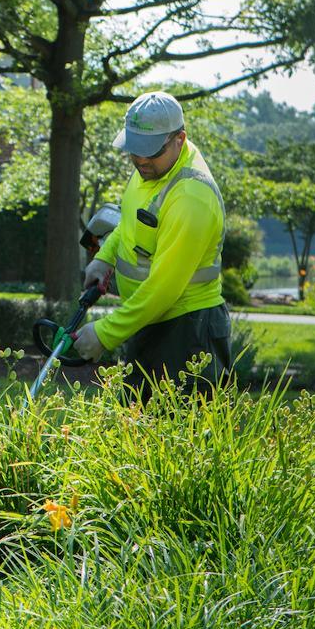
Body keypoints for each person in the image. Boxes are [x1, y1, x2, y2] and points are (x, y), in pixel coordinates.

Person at [72, 91, 231, 400]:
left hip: (187, 333)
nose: (141, 159)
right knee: (137, 432)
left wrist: (105, 333)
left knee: (178, 437)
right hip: (149, 320)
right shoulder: (152, 170)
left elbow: (164, 288)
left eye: (150, 151)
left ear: (179, 139)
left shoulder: (190, 198)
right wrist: (105, 258)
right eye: (135, 150)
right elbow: (131, 222)